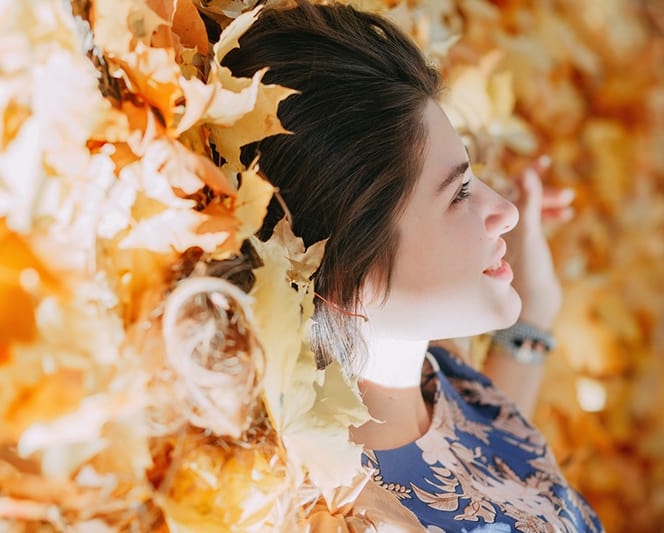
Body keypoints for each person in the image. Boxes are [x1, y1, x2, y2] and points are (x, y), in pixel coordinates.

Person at [222, 2, 604, 531]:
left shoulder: (434, 381)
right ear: (350, 272)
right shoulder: (357, 515)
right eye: (460, 193)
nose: (507, 212)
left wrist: (530, 322)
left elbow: (486, 481)